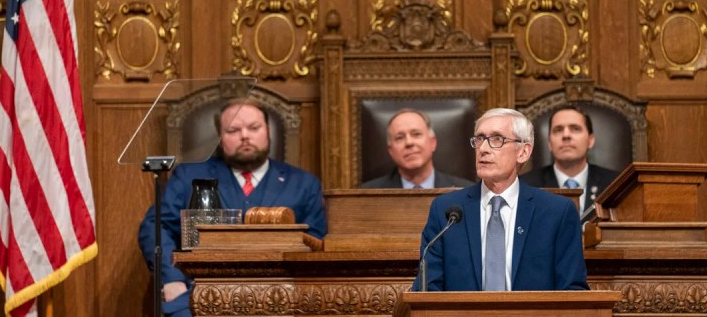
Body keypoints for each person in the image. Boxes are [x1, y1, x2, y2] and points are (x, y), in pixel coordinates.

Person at [138, 98, 327, 317]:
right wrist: (172, 280)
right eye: (233, 130)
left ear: (268, 131)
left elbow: (316, 245)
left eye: (253, 128)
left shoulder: (303, 183)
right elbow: (155, 227)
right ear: (220, 138)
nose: (245, 135)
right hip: (199, 293)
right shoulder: (189, 176)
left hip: (281, 297)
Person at [413, 108, 588, 291]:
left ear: (523, 152)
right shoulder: (446, 211)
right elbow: (427, 290)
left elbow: (573, 290)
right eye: (479, 139)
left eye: (497, 139)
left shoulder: (556, 212)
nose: (483, 149)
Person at [519, 104, 620, 215]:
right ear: (549, 143)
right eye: (558, 130)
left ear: (590, 140)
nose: (566, 135)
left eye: (575, 129)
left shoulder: (615, 184)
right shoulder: (525, 186)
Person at [358, 108, 471, 189]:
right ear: (391, 151)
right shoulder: (368, 193)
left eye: (416, 134)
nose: (409, 142)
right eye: (399, 138)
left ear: (432, 142)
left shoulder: (465, 191)